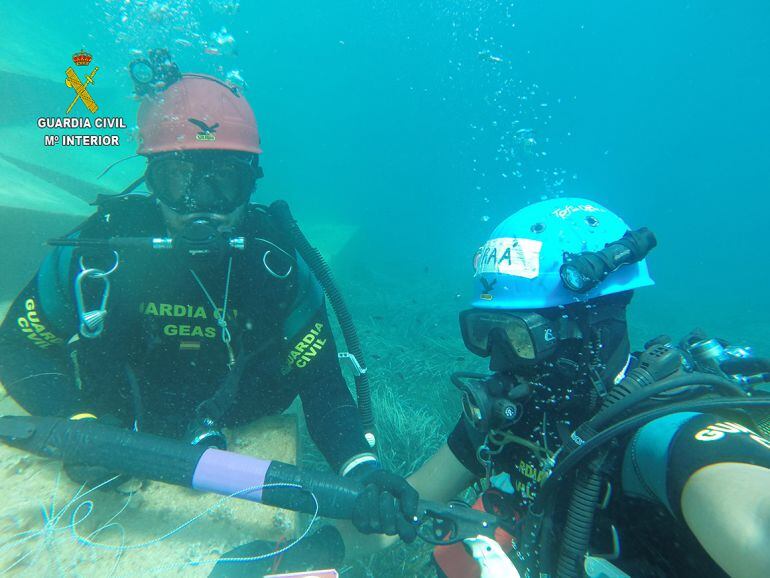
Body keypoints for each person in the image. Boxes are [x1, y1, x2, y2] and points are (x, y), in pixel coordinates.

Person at [0, 69, 417, 544]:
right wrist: (78, 424)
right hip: (114, 430)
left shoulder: (276, 268)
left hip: (240, 424)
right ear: (151, 182)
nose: (201, 206)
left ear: (252, 183)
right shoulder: (96, 257)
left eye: (223, 183)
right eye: (179, 180)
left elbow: (320, 381)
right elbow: (18, 346)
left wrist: (360, 467)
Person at [350, 197, 770, 578]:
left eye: (519, 337)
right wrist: (319, 540)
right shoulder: (509, 420)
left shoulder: (667, 441)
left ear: (593, 327)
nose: (498, 361)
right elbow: (404, 507)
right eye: (485, 334)